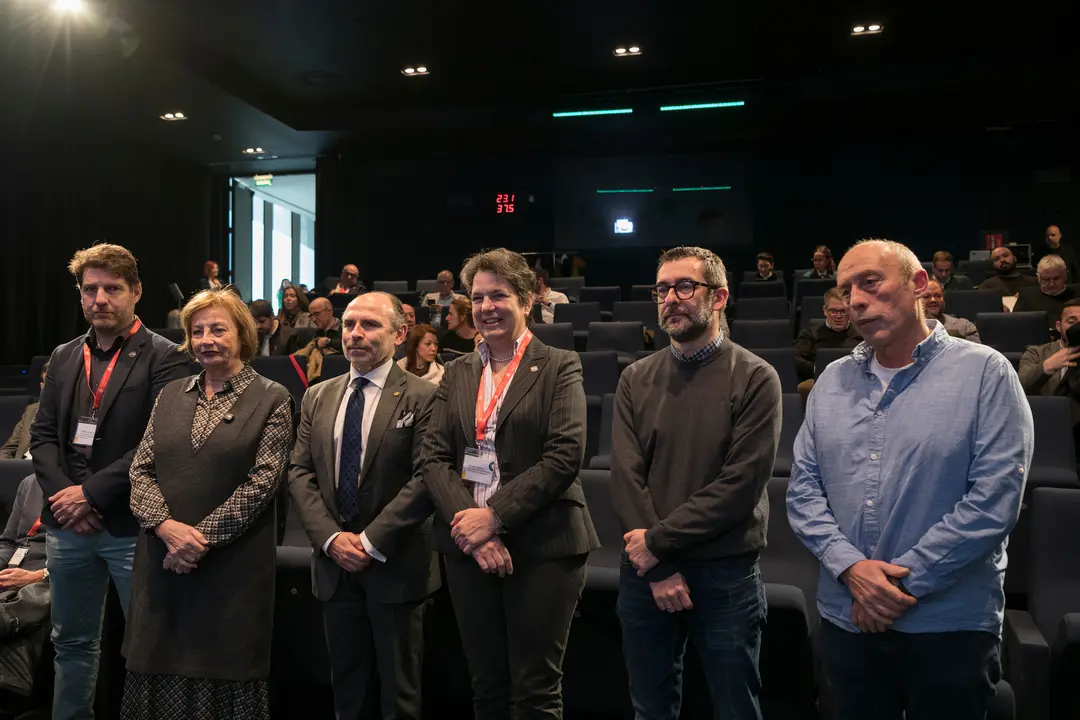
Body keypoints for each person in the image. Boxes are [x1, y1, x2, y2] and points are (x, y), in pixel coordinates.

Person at [787, 239, 1033, 720]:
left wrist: (894, 588)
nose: (855, 299)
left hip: (949, 625)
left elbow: (994, 503)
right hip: (846, 619)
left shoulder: (986, 373)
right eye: (845, 289)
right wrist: (854, 571)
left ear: (919, 284)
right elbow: (803, 493)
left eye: (870, 283)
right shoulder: (830, 383)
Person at [422, 248, 599, 719]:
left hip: (544, 543)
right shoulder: (458, 370)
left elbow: (564, 456)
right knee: (486, 686)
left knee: (535, 690)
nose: (486, 307)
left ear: (525, 300)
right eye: (477, 297)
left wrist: (493, 517)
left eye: (498, 295)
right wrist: (473, 529)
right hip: (467, 546)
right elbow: (434, 457)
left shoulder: (560, 364)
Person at [611, 246, 778, 720]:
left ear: (719, 296)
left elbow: (740, 486)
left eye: (685, 286)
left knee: (735, 708)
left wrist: (657, 543)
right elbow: (625, 476)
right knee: (651, 710)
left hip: (724, 572)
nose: (670, 298)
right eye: (662, 289)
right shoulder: (635, 377)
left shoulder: (756, 377)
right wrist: (657, 566)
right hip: (646, 573)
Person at [30, 243, 189, 720]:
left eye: (112, 289)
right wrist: (65, 500)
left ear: (136, 292)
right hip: (67, 526)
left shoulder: (166, 357)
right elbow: (41, 437)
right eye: (90, 289)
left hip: (129, 523)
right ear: (80, 296)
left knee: (146, 648)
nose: (100, 299)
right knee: (71, 643)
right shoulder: (63, 356)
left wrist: (90, 494)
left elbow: (157, 442)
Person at [123, 288, 294, 719]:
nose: (206, 340)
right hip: (162, 568)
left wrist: (196, 541)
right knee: (155, 675)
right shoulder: (170, 394)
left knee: (224, 681)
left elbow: (262, 485)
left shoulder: (273, 398)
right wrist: (167, 529)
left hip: (231, 572)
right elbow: (141, 471)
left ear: (241, 334)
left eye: (218, 329)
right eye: (196, 331)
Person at [288, 292, 439, 720]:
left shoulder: (425, 397)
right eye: (349, 324)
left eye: (369, 325)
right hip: (334, 565)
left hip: (396, 562)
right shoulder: (317, 396)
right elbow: (299, 473)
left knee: (399, 697)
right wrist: (332, 539)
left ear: (400, 333)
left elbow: (427, 477)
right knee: (347, 692)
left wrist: (370, 542)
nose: (355, 333)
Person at [0, 474, 51, 714]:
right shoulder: (29, 483)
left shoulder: (89, 489)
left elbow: (90, 559)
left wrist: (38, 575)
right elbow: (9, 542)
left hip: (53, 573)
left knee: (38, 593)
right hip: (14, 570)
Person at [1018, 300, 1080, 451]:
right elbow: (1019, 387)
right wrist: (1047, 366)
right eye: (1072, 321)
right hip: (1047, 426)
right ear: (1059, 326)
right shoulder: (1037, 353)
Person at [793, 287, 862, 400]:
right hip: (819, 380)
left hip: (855, 380)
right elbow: (797, 358)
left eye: (843, 311)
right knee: (804, 388)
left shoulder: (860, 332)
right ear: (825, 310)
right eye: (833, 311)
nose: (838, 316)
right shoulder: (811, 331)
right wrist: (816, 368)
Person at [1014, 254, 1076, 340]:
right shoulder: (1026, 295)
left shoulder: (1077, 294)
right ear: (1038, 277)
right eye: (1046, 279)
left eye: (1056, 278)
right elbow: (1018, 326)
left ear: (1066, 275)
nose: (1051, 284)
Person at [1, 363, 47, 459]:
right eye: (48, 385)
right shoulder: (31, 411)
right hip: (23, 467)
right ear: (42, 386)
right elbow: (8, 449)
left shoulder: (77, 413)